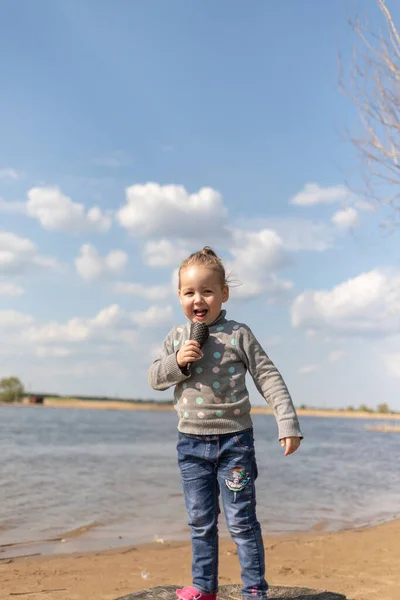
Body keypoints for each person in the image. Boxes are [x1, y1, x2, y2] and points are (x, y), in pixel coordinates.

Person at [148, 247, 303, 600]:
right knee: (201, 522)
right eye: (189, 292)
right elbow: (155, 377)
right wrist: (177, 362)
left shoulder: (238, 334)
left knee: (241, 521)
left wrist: (287, 422)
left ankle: (253, 589)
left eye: (207, 291)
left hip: (235, 443)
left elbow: (268, 377)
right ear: (179, 297)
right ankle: (204, 587)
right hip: (190, 446)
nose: (198, 299)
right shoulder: (176, 337)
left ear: (223, 294)